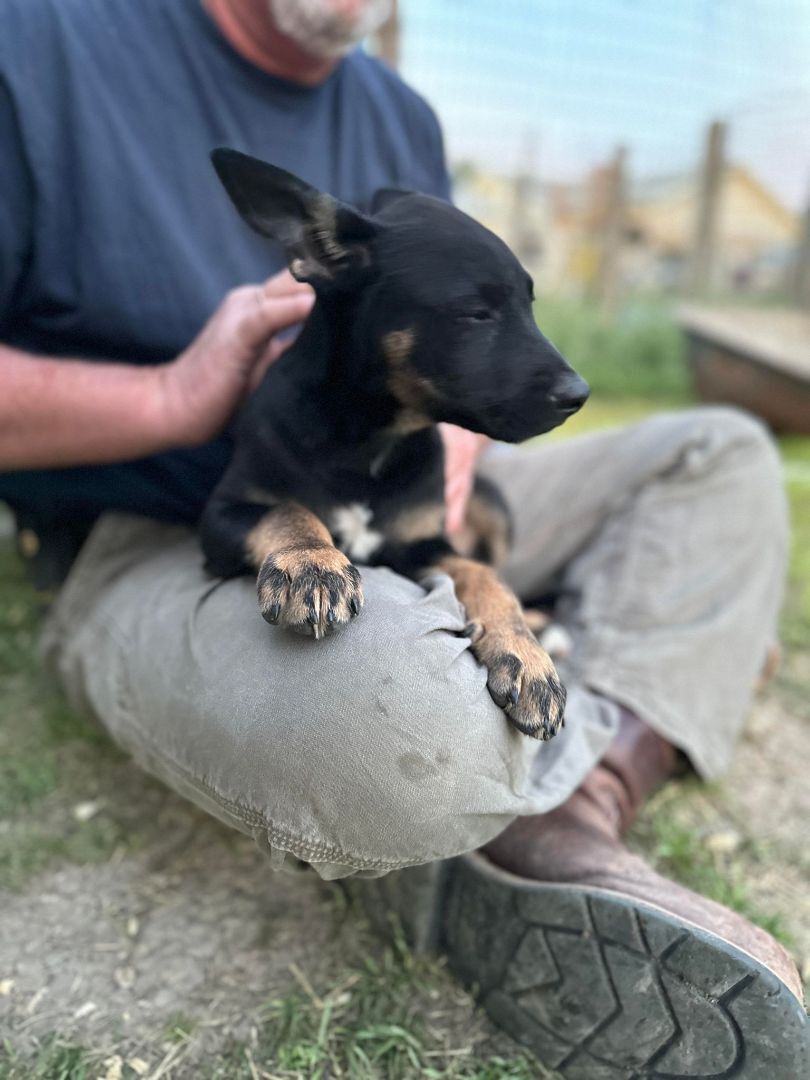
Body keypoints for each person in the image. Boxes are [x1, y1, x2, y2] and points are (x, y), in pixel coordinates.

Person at [0, 0, 805, 1072]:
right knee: (401, 723)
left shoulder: (398, 115)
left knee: (723, 452)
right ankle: (534, 748)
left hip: (402, 471)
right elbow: (243, 506)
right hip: (152, 527)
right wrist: (169, 398)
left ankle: (579, 794)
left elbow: (452, 355)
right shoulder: (38, 41)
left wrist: (469, 492)